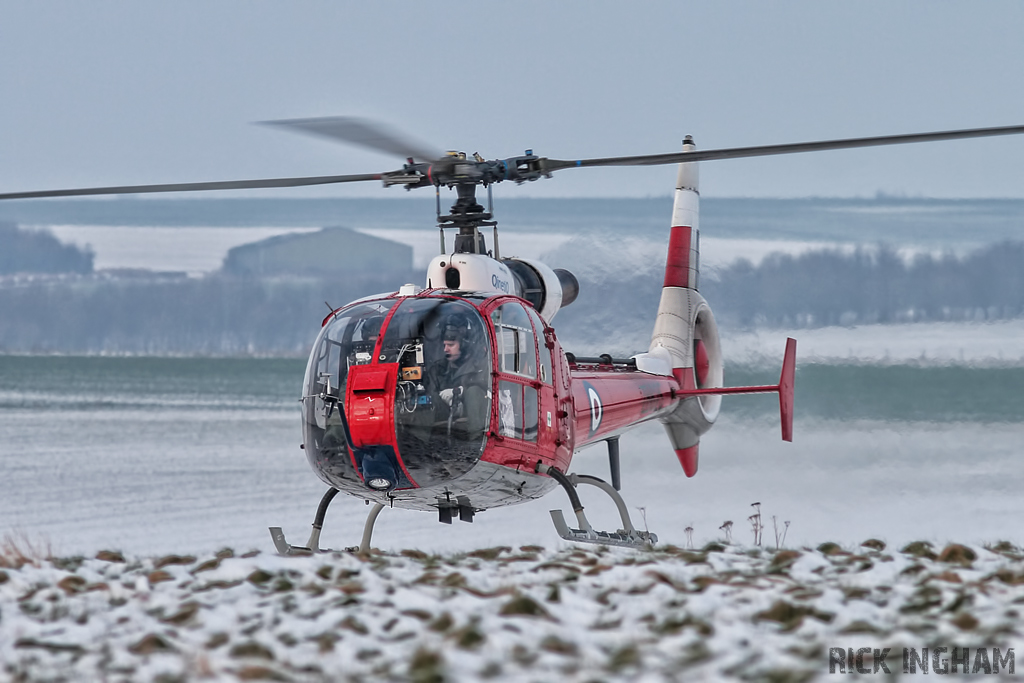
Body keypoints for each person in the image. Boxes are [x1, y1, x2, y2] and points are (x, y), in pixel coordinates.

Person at [426, 320, 488, 436]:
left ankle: (476, 441)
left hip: (470, 423)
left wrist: (462, 392)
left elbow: (487, 388)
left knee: (474, 392)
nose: (446, 349)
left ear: (464, 346)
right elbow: (431, 393)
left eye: (451, 345)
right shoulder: (437, 369)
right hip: (443, 424)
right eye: (444, 345)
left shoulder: (480, 367)